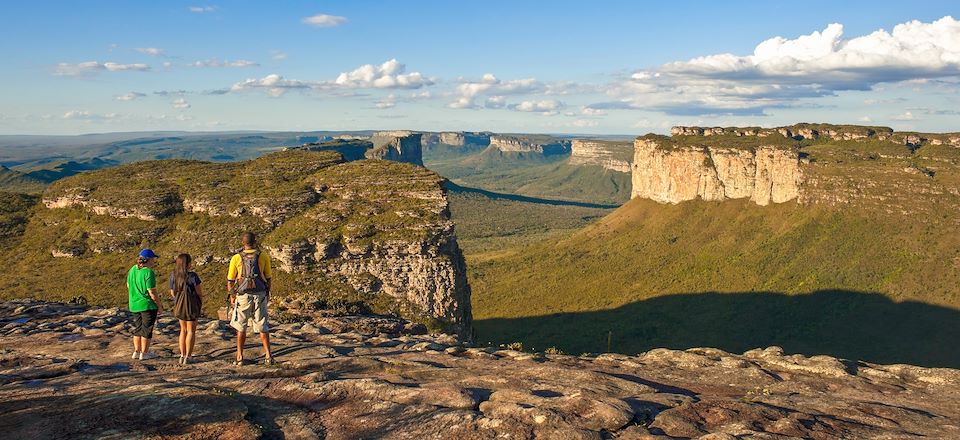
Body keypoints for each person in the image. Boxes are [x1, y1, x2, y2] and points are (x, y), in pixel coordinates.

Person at [227, 232, 274, 366]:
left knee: (241, 326)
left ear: (243, 243)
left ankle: (240, 356)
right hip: (259, 294)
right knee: (262, 325)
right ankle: (268, 356)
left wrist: (232, 296)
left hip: (243, 295)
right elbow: (268, 277)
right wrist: (267, 293)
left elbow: (230, 280)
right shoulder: (263, 256)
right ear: (255, 242)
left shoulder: (236, 258)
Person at [169, 253, 203, 365]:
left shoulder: (174, 275)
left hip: (179, 305)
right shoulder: (193, 276)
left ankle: (182, 355)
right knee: (191, 331)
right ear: (188, 264)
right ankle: (188, 356)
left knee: (182, 330)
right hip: (191, 306)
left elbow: (172, 292)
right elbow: (199, 292)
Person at [127, 249, 161, 360]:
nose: (154, 261)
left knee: (138, 328)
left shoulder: (132, 269)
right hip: (147, 305)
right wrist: (159, 305)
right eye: (153, 259)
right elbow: (151, 291)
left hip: (134, 304)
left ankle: (137, 351)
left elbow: (128, 285)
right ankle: (145, 353)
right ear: (149, 260)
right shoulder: (148, 272)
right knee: (147, 329)